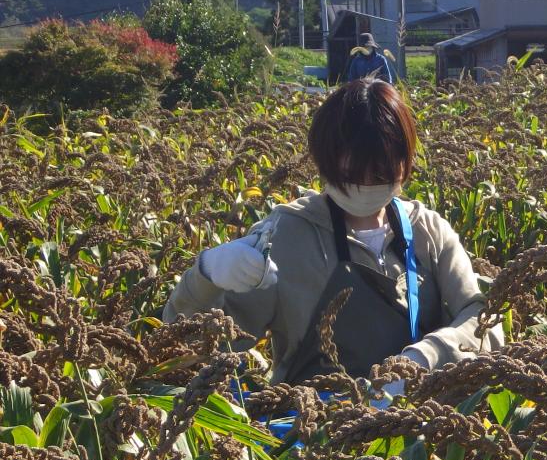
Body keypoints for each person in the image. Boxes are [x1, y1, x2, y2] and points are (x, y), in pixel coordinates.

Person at [163, 78, 501, 384]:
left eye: (380, 174)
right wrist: (205, 279)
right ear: (324, 161)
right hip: (313, 434)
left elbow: (483, 320)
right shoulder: (284, 237)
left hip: (416, 433)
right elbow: (193, 352)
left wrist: (425, 358)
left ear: (405, 162)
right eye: (352, 174)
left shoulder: (427, 230)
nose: (366, 186)